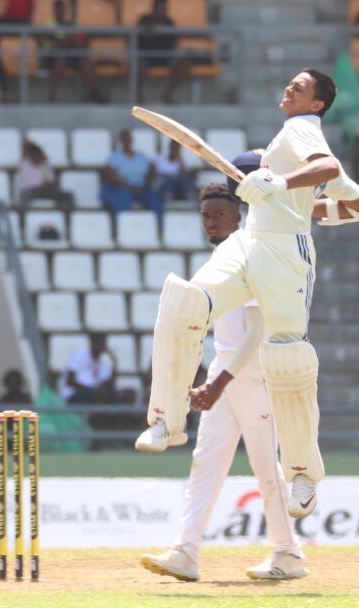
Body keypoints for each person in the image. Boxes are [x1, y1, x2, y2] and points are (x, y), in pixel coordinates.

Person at [134, 68, 359, 521]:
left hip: (287, 258)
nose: (289, 88)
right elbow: (355, 202)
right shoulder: (284, 142)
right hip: (251, 244)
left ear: (316, 105)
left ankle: (304, 476)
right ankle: (165, 421)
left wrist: (283, 185)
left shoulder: (302, 129)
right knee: (186, 303)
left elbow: (328, 169)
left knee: (288, 359)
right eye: (290, 83)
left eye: (301, 87)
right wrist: (347, 204)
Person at [140, 184, 305, 582]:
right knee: (206, 462)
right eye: (205, 216)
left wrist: (221, 382)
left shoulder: (250, 256)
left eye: (218, 214)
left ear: (238, 216)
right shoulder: (219, 258)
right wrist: (207, 378)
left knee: (266, 467)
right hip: (225, 369)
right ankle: (187, 551)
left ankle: (288, 554)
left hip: (253, 373)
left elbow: (255, 331)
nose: (210, 222)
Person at [41, 0, 102, 103]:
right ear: (54, 10)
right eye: (57, 9)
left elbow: (81, 40)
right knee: (60, 60)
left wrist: (69, 41)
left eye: (61, 9)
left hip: (71, 54)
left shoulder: (73, 24)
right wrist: (68, 40)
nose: (60, 11)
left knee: (86, 62)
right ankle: (52, 98)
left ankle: (88, 98)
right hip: (52, 56)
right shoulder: (48, 24)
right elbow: (54, 39)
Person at [99, 130, 162, 219]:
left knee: (154, 198)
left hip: (140, 188)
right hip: (121, 188)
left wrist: (145, 185)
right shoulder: (115, 157)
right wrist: (130, 188)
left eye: (129, 140)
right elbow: (112, 178)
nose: (127, 142)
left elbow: (151, 171)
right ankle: (121, 226)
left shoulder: (141, 157)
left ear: (132, 141)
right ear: (121, 142)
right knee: (123, 199)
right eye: (124, 140)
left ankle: (158, 227)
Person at [136, 0, 189, 104]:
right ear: (153, 9)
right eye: (159, 9)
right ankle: (138, 97)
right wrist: (148, 28)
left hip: (165, 57)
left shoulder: (170, 23)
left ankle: (168, 95)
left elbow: (173, 44)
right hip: (147, 58)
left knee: (183, 64)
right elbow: (137, 40)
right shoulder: (144, 20)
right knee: (137, 64)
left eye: (163, 9)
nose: (161, 12)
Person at [61, 333, 118, 404]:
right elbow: (70, 381)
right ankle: (97, 414)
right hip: (75, 393)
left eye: (104, 343)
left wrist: (114, 360)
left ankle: (101, 413)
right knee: (100, 394)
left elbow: (109, 384)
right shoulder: (80, 354)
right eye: (100, 343)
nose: (102, 346)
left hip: (95, 394)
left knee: (127, 394)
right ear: (92, 343)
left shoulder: (103, 365)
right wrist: (90, 389)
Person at [17, 141, 74, 210]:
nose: (36, 156)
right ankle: (22, 219)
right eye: (33, 154)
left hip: (46, 190)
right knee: (23, 198)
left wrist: (45, 186)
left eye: (37, 154)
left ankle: (67, 217)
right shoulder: (25, 164)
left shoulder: (44, 165)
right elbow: (26, 146)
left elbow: (49, 179)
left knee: (68, 196)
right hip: (30, 191)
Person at [153, 140, 195, 204]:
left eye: (177, 147)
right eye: (174, 146)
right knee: (169, 178)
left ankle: (189, 198)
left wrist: (179, 159)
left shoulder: (180, 161)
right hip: (163, 186)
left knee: (184, 178)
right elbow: (155, 175)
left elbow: (182, 174)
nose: (175, 149)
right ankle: (167, 199)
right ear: (170, 146)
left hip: (176, 187)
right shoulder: (160, 158)